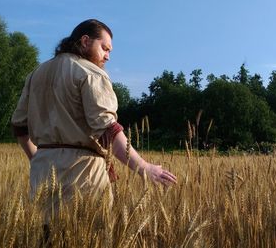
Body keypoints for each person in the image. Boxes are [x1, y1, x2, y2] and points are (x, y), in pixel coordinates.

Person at [11, 19, 177, 217]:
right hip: (83, 176)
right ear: (85, 41)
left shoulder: (35, 74)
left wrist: (37, 158)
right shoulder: (90, 72)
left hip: (42, 175)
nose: (107, 56)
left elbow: (20, 128)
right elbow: (108, 130)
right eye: (104, 48)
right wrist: (143, 167)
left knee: (47, 238)